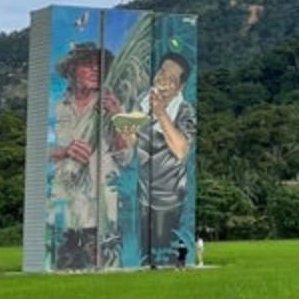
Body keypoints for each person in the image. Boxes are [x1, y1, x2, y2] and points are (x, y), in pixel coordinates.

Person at [48, 43, 124, 270]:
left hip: (99, 205)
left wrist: (118, 116)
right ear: (72, 69)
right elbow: (42, 150)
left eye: (98, 65)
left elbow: (126, 151)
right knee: (63, 267)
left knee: (102, 266)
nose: (94, 70)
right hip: (64, 202)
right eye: (87, 64)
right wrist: (64, 150)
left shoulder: (111, 103)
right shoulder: (57, 107)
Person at [119, 51, 196, 266]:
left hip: (168, 197)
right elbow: (133, 144)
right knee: (143, 249)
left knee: (163, 249)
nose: (163, 80)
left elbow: (181, 150)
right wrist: (126, 133)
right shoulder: (141, 102)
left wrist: (161, 113)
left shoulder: (185, 111)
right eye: (162, 72)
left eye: (171, 79)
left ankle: (174, 270)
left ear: (179, 87)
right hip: (141, 192)